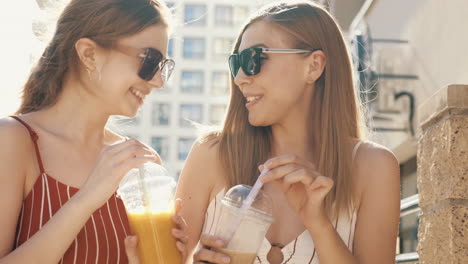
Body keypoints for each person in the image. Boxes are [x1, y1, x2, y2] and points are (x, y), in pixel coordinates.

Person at [176, 1, 400, 263]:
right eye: (235, 63)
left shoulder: (374, 168)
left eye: (253, 59)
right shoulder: (211, 154)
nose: (239, 77)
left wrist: (318, 223)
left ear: (314, 66)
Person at [0, 0, 187, 263]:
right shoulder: (12, 141)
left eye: (162, 67)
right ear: (89, 54)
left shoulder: (138, 164)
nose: (157, 81)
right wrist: (87, 198)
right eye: (149, 61)